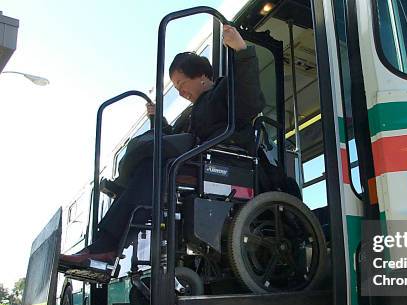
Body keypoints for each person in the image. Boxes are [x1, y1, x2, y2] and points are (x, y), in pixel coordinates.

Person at [60, 25, 264, 266]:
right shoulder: (190, 114)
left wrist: (241, 51)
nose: (180, 92)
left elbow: (250, 101)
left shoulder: (223, 91)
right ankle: (103, 245)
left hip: (219, 163)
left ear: (201, 76)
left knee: (151, 171)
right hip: (195, 162)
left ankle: (105, 247)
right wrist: (157, 119)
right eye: (176, 88)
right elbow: (174, 138)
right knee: (150, 169)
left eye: (181, 84)